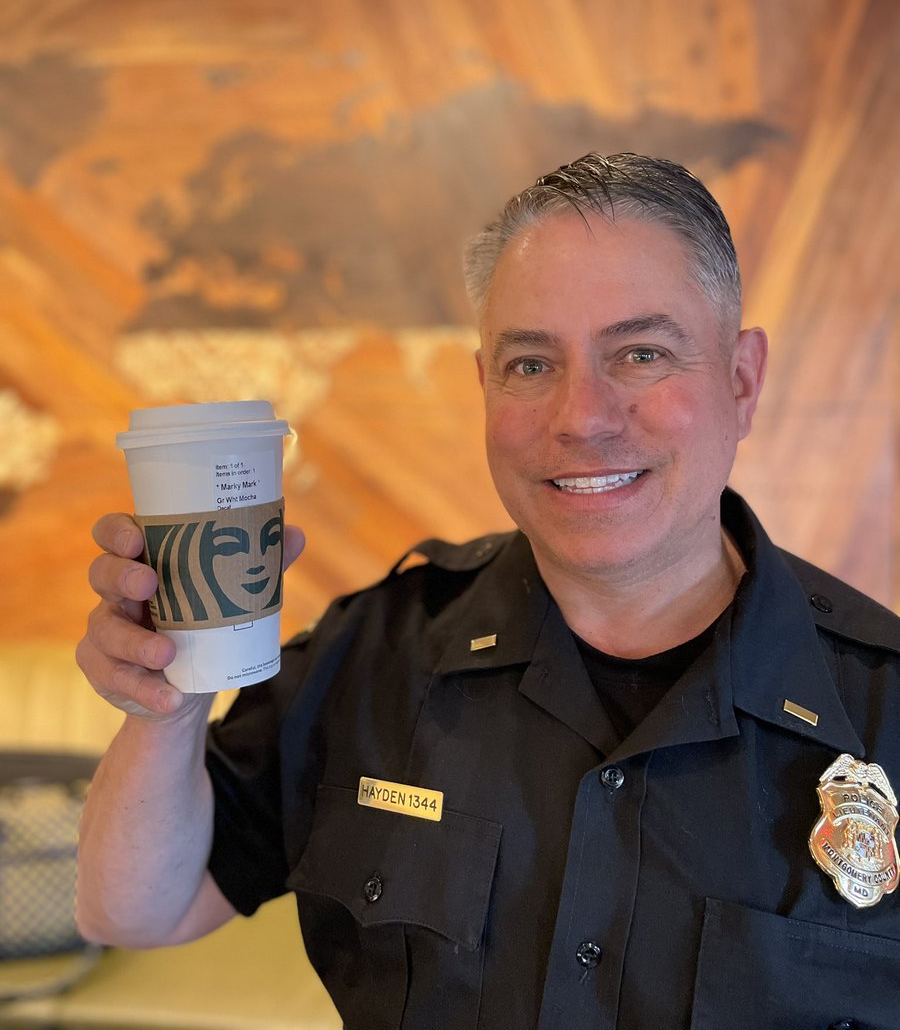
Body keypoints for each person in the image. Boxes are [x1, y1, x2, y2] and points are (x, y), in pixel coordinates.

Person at [77, 154, 900, 1030]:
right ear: (484, 386)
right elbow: (134, 910)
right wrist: (164, 708)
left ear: (741, 380)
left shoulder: (882, 706)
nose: (582, 417)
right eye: (531, 365)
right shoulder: (374, 653)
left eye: (642, 353)